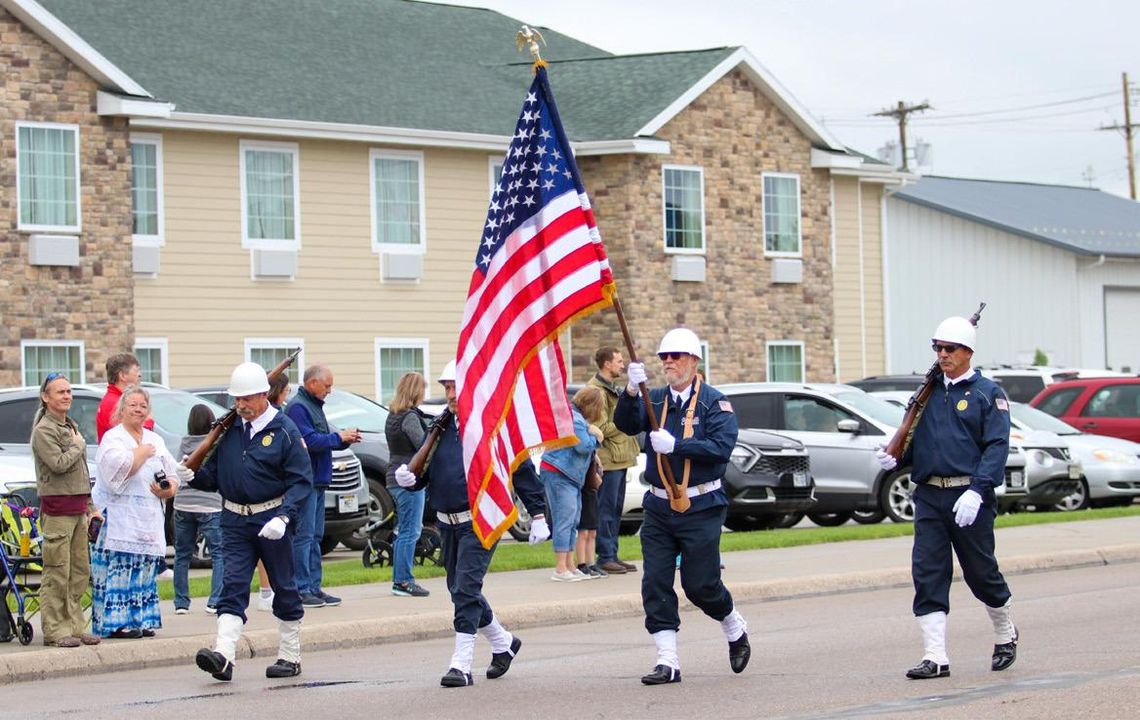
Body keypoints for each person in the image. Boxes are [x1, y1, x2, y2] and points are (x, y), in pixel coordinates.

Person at [876, 316, 1017, 680]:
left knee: (981, 573)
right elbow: (916, 442)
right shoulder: (928, 394)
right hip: (929, 497)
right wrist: (895, 457)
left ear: (968, 351)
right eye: (937, 348)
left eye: (949, 348)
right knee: (927, 573)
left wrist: (978, 490)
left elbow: (996, 447)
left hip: (969, 496)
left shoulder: (988, 393)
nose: (942, 354)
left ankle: (1005, 632)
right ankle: (935, 657)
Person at [394, 360, 550, 687]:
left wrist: (538, 514)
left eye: (455, 386)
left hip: (481, 519)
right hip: (447, 523)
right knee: (459, 589)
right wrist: (411, 478)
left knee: (465, 588)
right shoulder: (441, 426)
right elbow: (431, 474)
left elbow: (519, 469)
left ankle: (461, 664)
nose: (450, 393)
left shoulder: (492, 425)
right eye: (447, 387)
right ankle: (503, 643)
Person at [614, 328, 751, 685]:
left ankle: (733, 624)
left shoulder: (714, 402)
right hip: (659, 507)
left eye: (676, 356)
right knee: (655, 582)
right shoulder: (654, 398)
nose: (669, 362)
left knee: (700, 585)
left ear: (694, 360)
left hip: (702, 503)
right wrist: (630, 392)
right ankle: (667, 661)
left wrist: (677, 445)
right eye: (664, 357)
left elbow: (721, 447)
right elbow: (625, 424)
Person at [177, 362, 313, 681]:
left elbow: (301, 481)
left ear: (264, 395)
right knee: (233, 585)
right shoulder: (230, 430)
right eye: (237, 400)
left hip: (272, 517)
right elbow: (217, 477)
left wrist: (284, 515)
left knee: (284, 587)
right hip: (234, 519)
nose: (241, 406)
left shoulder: (284, 430)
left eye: (247, 399)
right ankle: (224, 655)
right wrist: (192, 474)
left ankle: (290, 656)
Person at [92, 385, 180, 638]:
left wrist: (169, 488)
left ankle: (141, 619)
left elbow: (172, 472)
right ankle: (117, 623)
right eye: (133, 405)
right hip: (118, 518)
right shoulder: (113, 438)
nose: (138, 410)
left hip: (148, 518)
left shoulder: (155, 439)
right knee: (121, 568)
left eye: (143, 405)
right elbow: (114, 475)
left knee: (143, 568)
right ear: (122, 409)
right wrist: (139, 454)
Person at [30, 372, 102, 648]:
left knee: (79, 572)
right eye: (60, 392)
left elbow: (81, 473)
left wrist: (91, 507)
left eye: (69, 391)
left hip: (77, 509)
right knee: (57, 572)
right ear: (45, 397)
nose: (67, 396)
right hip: (57, 511)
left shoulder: (69, 427)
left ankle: (74, 626)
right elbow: (59, 464)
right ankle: (55, 629)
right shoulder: (44, 431)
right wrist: (77, 446)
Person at [286, 364, 362, 609]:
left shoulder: (313, 406)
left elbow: (325, 439)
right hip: (305, 481)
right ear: (312, 384)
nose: (330, 390)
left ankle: (314, 587)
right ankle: (302, 588)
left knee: (316, 535)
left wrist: (344, 439)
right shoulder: (298, 407)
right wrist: (337, 438)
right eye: (327, 385)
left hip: (318, 481)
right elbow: (308, 441)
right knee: (305, 535)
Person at [540, 386, 603, 581]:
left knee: (573, 519)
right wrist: (597, 436)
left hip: (570, 476)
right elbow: (583, 447)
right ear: (591, 405)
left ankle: (569, 565)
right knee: (564, 519)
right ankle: (560, 569)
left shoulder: (575, 417)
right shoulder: (575, 419)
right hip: (559, 473)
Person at [587, 347, 641, 575]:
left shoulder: (612, 389)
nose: (623, 365)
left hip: (620, 458)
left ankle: (613, 554)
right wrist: (625, 426)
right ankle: (605, 556)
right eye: (619, 361)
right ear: (607, 364)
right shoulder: (596, 391)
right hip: (608, 459)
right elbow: (599, 427)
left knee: (616, 509)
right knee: (607, 509)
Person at [173, 404, 225, 615]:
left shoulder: (185, 443)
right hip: (210, 503)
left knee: (182, 554)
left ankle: (181, 603)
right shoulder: (214, 444)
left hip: (183, 502)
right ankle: (214, 601)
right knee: (219, 554)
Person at [384, 372, 431, 597]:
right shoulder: (410, 417)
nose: (424, 394)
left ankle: (400, 579)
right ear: (415, 390)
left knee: (404, 529)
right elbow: (423, 447)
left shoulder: (392, 414)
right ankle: (403, 581)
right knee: (410, 531)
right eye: (422, 389)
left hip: (393, 476)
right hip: (408, 479)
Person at [96, 353, 152, 442]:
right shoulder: (115, 403)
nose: (139, 375)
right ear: (122, 375)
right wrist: (148, 420)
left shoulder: (113, 400)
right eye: (136, 371)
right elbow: (134, 435)